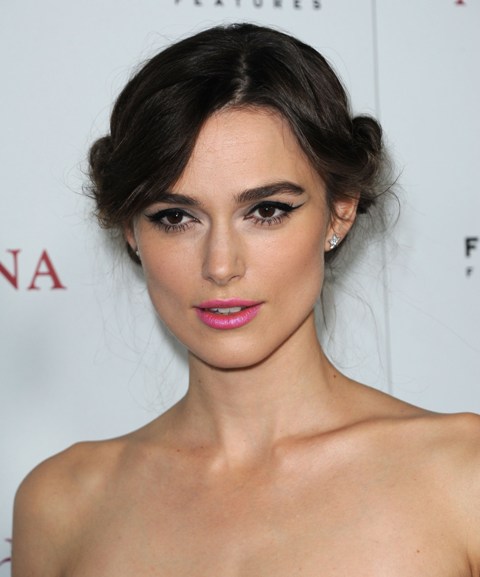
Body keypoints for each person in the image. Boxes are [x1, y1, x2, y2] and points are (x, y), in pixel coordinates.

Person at [11, 23, 480, 577]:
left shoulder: (463, 477)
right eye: (176, 217)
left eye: (266, 211)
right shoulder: (62, 504)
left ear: (340, 211)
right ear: (131, 230)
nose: (220, 265)